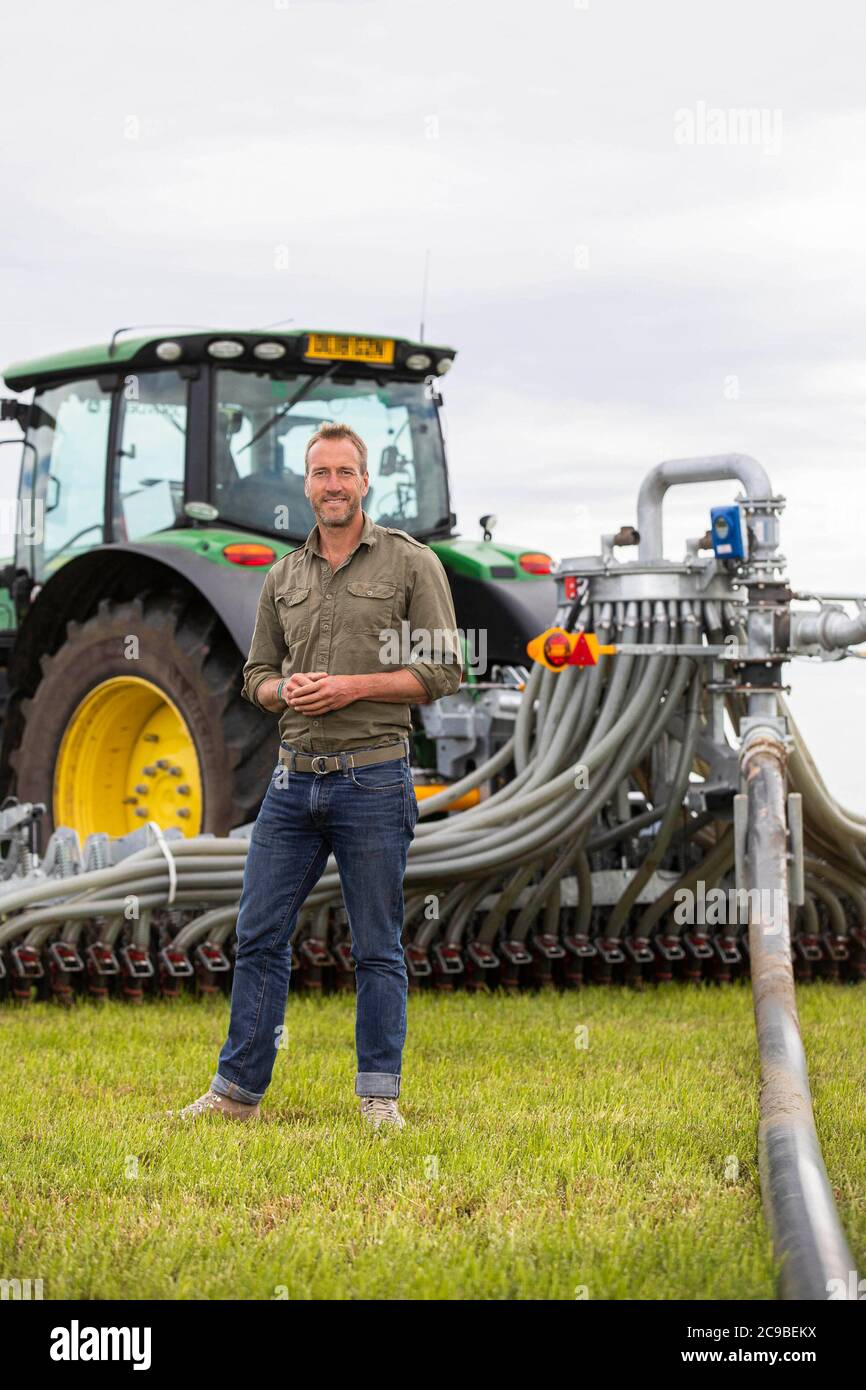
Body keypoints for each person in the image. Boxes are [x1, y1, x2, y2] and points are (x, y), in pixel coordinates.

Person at [175, 421, 462, 1130]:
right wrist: (283, 693)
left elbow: (445, 671)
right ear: (306, 484)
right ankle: (236, 1093)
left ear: (365, 482)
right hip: (291, 784)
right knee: (260, 934)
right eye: (320, 473)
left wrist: (351, 688)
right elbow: (255, 677)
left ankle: (378, 1097)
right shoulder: (284, 574)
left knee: (375, 944)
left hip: (374, 779)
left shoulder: (410, 564)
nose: (332, 485)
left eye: (345, 472)